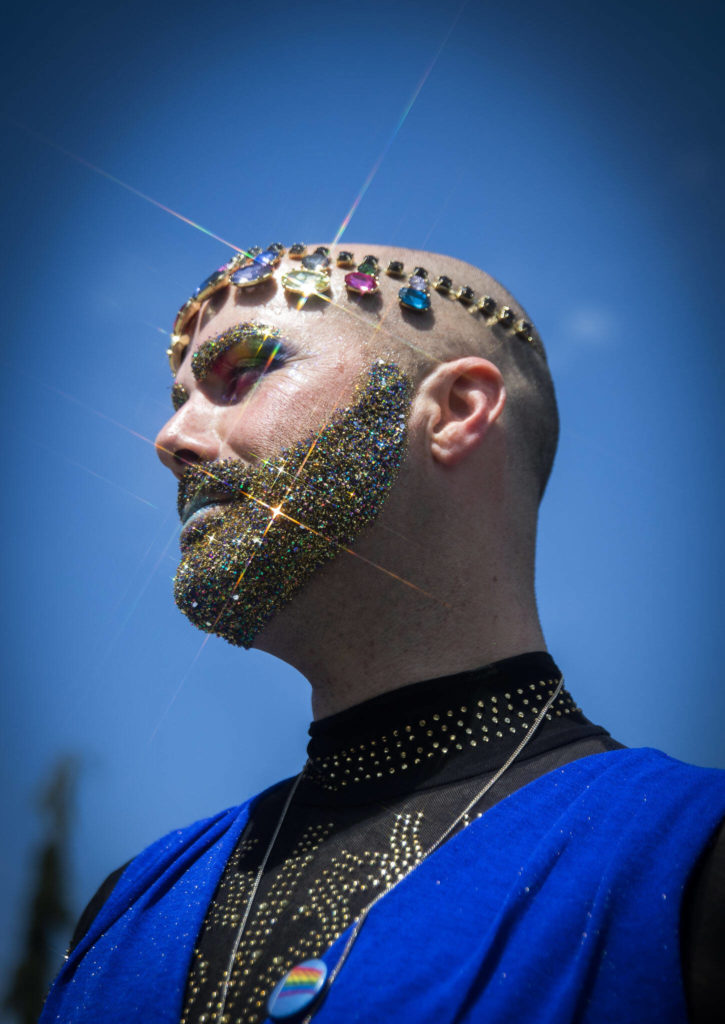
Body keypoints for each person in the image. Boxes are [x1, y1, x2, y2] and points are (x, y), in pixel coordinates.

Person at [42, 244, 725, 1024]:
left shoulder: (687, 861)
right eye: (181, 395)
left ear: (457, 410)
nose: (171, 438)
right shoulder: (129, 906)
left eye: (241, 373)